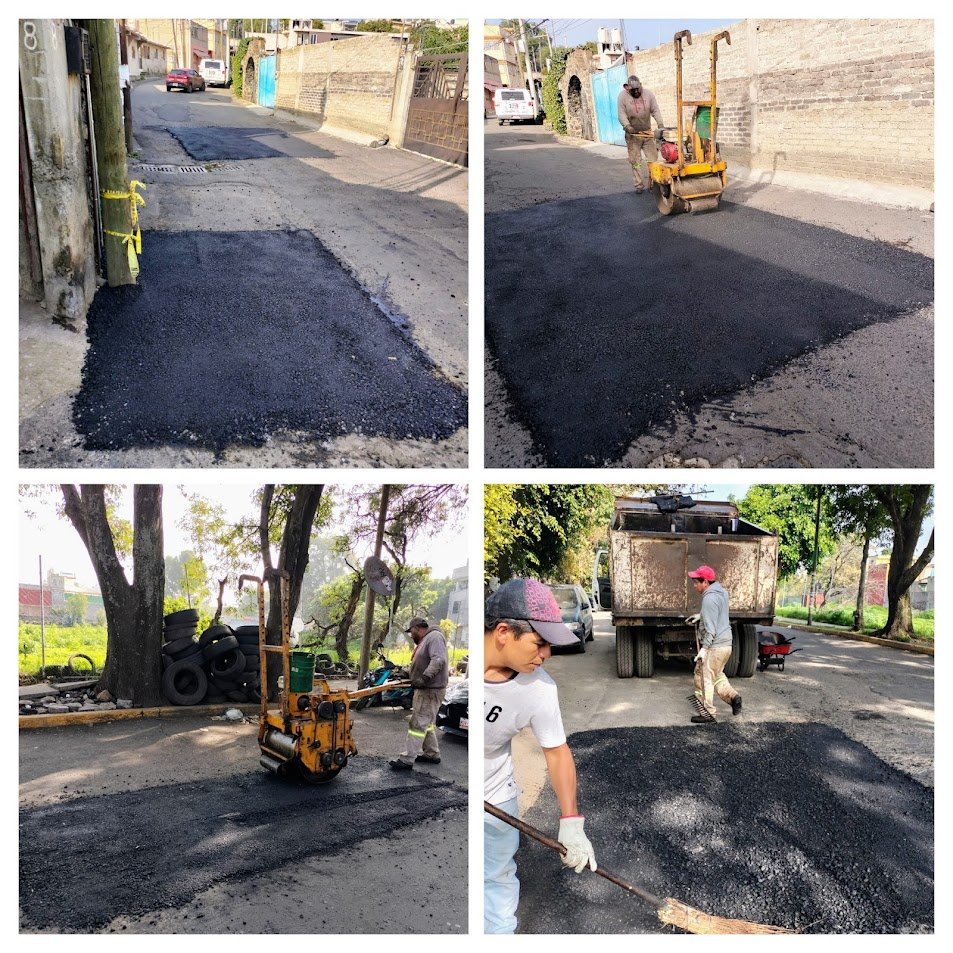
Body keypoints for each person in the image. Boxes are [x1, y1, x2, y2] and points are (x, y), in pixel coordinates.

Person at [484, 578, 597, 934]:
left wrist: (571, 822)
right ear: (504, 631)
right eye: (540, 643)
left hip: (497, 800)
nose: (546, 654)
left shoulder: (539, 688)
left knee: (496, 877)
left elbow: (557, 752)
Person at [389, 617, 448, 769]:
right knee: (426, 723)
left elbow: (438, 660)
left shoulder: (434, 637)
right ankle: (432, 753)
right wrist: (407, 673)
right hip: (426, 689)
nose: (411, 635)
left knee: (417, 724)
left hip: (430, 689)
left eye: (411, 632)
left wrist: (424, 678)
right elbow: (424, 663)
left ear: (416, 628)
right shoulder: (426, 640)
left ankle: (407, 759)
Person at [686, 565, 742, 724]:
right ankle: (733, 698)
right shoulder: (722, 593)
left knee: (702, 676)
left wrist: (704, 649)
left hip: (715, 646)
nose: (694, 585)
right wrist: (701, 616)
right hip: (726, 645)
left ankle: (708, 714)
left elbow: (710, 630)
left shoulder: (709, 599)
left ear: (705, 582)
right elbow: (717, 614)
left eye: (696, 582)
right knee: (716, 675)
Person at [616, 75, 665, 194]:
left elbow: (655, 110)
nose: (637, 91)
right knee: (636, 162)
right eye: (634, 90)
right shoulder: (622, 97)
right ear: (628, 88)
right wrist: (627, 126)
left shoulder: (648, 94)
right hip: (632, 135)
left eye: (638, 89)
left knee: (653, 160)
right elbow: (621, 114)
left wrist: (660, 125)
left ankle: (654, 183)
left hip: (647, 133)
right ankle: (639, 185)